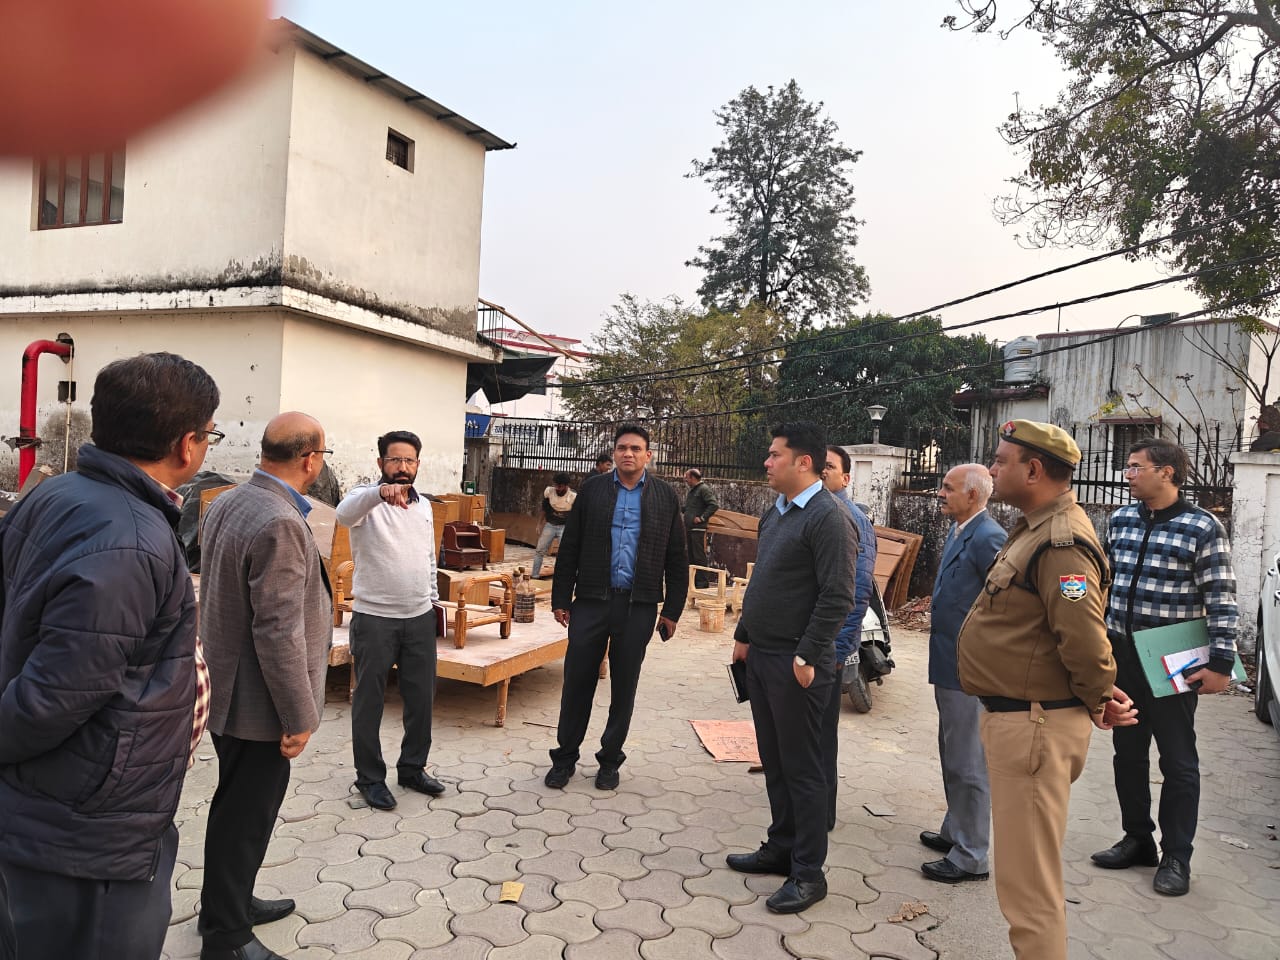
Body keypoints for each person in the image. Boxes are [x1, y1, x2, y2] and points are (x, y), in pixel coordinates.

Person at [0, 353, 219, 960]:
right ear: (186, 444)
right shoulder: (131, 539)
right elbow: (51, 699)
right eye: (209, 433)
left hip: (68, 806)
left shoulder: (60, 492)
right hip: (86, 829)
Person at [957, 420, 1138, 960]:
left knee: (1029, 886)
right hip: (1021, 720)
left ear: (1033, 470)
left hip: (1034, 726)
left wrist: (1099, 695)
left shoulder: (1061, 542)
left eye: (1001, 460)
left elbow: (1083, 636)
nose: (992, 469)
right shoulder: (1034, 528)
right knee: (1025, 878)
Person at [198, 413, 333, 960]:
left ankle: (227, 904)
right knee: (246, 817)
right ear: (310, 460)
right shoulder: (279, 519)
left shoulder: (231, 500)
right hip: (258, 704)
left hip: (227, 689)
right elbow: (276, 629)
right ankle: (226, 939)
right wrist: (298, 714)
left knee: (236, 808)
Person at [1090, 438, 1238, 896]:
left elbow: (1221, 598)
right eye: (1128, 467)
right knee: (1127, 752)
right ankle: (1137, 838)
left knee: (1177, 759)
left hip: (1172, 658)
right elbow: (1101, 581)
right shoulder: (1121, 520)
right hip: (1121, 653)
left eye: (1136, 467)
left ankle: (1177, 855)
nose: (1128, 475)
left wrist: (1221, 663)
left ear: (1167, 472)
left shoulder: (1202, 527)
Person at [727, 422, 856, 914]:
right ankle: (781, 847)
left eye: (774, 455)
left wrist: (807, 654)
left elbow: (838, 594)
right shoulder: (777, 511)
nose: (766, 462)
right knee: (775, 760)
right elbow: (764, 580)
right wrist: (744, 635)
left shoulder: (829, 517)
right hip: (763, 656)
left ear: (804, 462)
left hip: (797, 664)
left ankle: (808, 873)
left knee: (804, 770)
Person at [545, 424, 688, 791]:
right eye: (622, 447)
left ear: (648, 455)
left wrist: (671, 610)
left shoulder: (665, 497)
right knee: (577, 683)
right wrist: (560, 599)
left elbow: (676, 557)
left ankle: (610, 761)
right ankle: (564, 758)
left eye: (636, 448)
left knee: (624, 686)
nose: (628, 453)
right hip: (591, 602)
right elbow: (570, 547)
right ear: (614, 452)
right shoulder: (592, 491)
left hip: (637, 606)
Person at [336, 430, 446, 812]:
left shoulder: (424, 506)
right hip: (375, 619)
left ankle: (413, 768)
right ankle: (369, 778)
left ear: (418, 464)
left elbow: (428, 558)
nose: (402, 467)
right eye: (395, 459)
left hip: (418, 618)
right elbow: (342, 513)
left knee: (422, 699)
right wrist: (379, 494)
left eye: (409, 460)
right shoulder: (365, 501)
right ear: (381, 463)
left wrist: (433, 601)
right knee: (369, 702)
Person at [920, 463, 1006, 883]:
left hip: (970, 668)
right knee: (952, 750)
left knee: (968, 760)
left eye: (948, 488)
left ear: (972, 495)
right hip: (950, 661)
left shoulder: (989, 537)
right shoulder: (962, 530)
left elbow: (1006, 606)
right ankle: (955, 830)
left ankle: (971, 854)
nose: (941, 493)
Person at [819, 444, 876, 830]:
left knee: (821, 736)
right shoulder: (809, 512)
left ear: (846, 477)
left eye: (830, 466)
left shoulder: (852, 519)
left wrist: (838, 650)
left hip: (827, 648)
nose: (822, 471)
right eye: (819, 464)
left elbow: (857, 592)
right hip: (803, 645)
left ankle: (822, 814)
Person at [532, 472, 576, 579]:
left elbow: (576, 515)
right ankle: (535, 575)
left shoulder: (573, 497)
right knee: (539, 550)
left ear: (566, 486)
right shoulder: (549, 492)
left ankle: (560, 577)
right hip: (550, 524)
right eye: (556, 485)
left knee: (564, 553)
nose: (557, 488)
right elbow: (544, 509)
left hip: (564, 526)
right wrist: (539, 524)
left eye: (560, 486)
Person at [683, 468, 720, 588]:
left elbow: (713, 505)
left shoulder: (703, 489)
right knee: (692, 556)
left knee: (698, 556)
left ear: (693, 478)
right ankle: (693, 582)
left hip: (697, 529)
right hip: (690, 528)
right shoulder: (693, 491)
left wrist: (702, 518)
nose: (685, 480)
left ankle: (702, 582)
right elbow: (690, 507)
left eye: (687, 477)